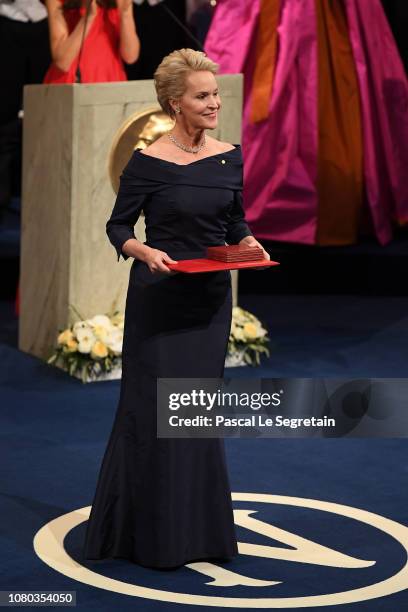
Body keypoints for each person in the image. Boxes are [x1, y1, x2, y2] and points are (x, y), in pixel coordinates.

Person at [83, 48, 269, 569]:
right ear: (175, 103)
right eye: (202, 96)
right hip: (160, 302)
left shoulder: (230, 155)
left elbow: (234, 221)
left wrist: (249, 241)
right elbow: (118, 227)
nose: (214, 103)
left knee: (195, 416)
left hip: (209, 302)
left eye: (215, 94)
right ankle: (148, 538)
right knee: (156, 415)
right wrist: (143, 251)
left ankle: (199, 534)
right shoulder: (147, 163)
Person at [43, 0, 140, 83]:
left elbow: (130, 57)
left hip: (110, 83)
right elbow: (62, 62)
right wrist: (88, 17)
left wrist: (125, 13)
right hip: (71, 85)